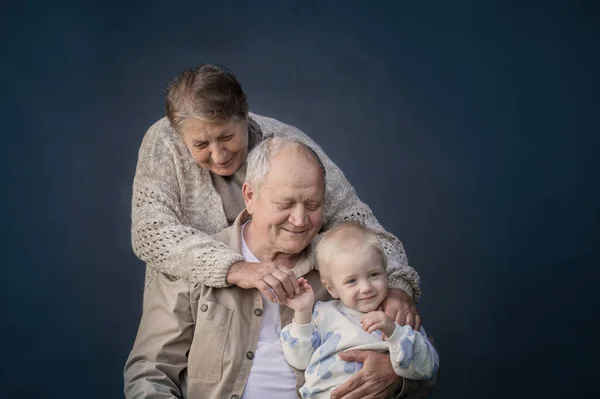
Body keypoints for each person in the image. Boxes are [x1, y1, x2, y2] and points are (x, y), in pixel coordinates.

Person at [131, 64, 423, 338]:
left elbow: (361, 227)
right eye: (201, 144)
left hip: (290, 318)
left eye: (227, 137)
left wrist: (397, 288)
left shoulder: (289, 147)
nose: (218, 155)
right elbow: (150, 233)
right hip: (191, 317)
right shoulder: (163, 143)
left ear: (245, 115)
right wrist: (236, 267)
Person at [124, 138, 421, 398]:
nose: (300, 219)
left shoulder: (344, 264)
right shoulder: (194, 260)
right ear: (250, 196)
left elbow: (421, 356)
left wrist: (398, 376)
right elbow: (150, 371)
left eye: (313, 204)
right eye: (285, 203)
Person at [281, 223, 439, 399]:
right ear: (331, 288)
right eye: (351, 281)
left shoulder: (397, 316)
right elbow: (300, 360)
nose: (366, 288)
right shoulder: (323, 314)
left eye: (373, 275)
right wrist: (303, 313)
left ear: (386, 273)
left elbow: (428, 367)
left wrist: (393, 331)